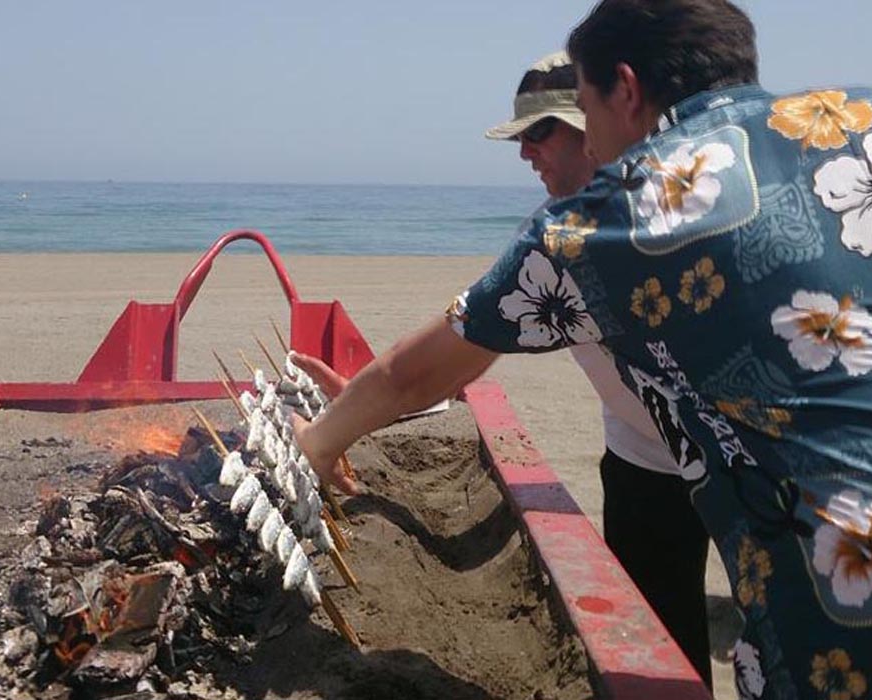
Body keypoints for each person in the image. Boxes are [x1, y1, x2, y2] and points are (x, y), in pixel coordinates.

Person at [295, 1, 872, 697]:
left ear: (625, 89)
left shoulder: (624, 214)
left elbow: (415, 372)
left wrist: (316, 442)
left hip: (850, 595)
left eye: (582, 103)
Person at [296, 50, 714, 688]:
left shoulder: (586, 239)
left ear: (599, 118)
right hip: (646, 460)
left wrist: (320, 440)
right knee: (661, 645)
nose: (525, 153)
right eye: (520, 138)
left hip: (734, 455)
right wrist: (356, 403)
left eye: (539, 132)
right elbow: (463, 355)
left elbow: (421, 371)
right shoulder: (612, 219)